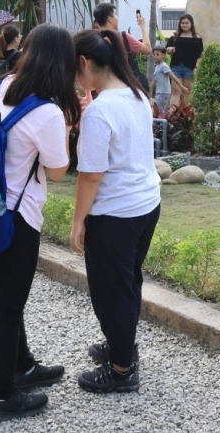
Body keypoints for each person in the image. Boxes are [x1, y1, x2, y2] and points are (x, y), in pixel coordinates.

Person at [0, 24, 80, 422]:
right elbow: (57, 170)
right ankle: (1, 396)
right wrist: (70, 124)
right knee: (6, 306)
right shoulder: (48, 110)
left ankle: (24, 366)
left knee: (7, 298)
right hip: (17, 219)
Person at [71, 28, 161, 393]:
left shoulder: (100, 112)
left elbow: (91, 176)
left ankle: (122, 369)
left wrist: (78, 221)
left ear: (84, 63)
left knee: (111, 291)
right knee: (127, 285)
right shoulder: (135, 94)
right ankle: (122, 345)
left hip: (115, 214)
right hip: (145, 204)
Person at [92, 2, 151, 91]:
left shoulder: (93, 40)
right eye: (115, 15)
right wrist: (142, 26)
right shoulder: (123, 37)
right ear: (109, 19)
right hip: (123, 86)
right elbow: (148, 49)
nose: (117, 17)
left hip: (102, 88)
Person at [165, 13, 203, 107]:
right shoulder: (175, 37)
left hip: (190, 68)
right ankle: (172, 114)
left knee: (188, 92)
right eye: (182, 23)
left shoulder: (197, 38)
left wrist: (196, 67)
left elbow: (200, 55)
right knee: (175, 91)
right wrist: (169, 49)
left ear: (191, 24)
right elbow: (166, 48)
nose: (184, 25)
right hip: (176, 67)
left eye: (187, 23)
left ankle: (186, 117)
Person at [150, 44, 184, 116]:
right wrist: (146, 89)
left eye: (157, 54)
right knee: (158, 112)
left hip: (164, 93)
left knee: (157, 112)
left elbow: (173, 77)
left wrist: (182, 87)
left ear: (163, 55)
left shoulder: (164, 66)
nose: (155, 56)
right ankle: (160, 126)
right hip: (159, 93)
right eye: (154, 54)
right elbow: (155, 80)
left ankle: (161, 126)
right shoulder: (157, 66)